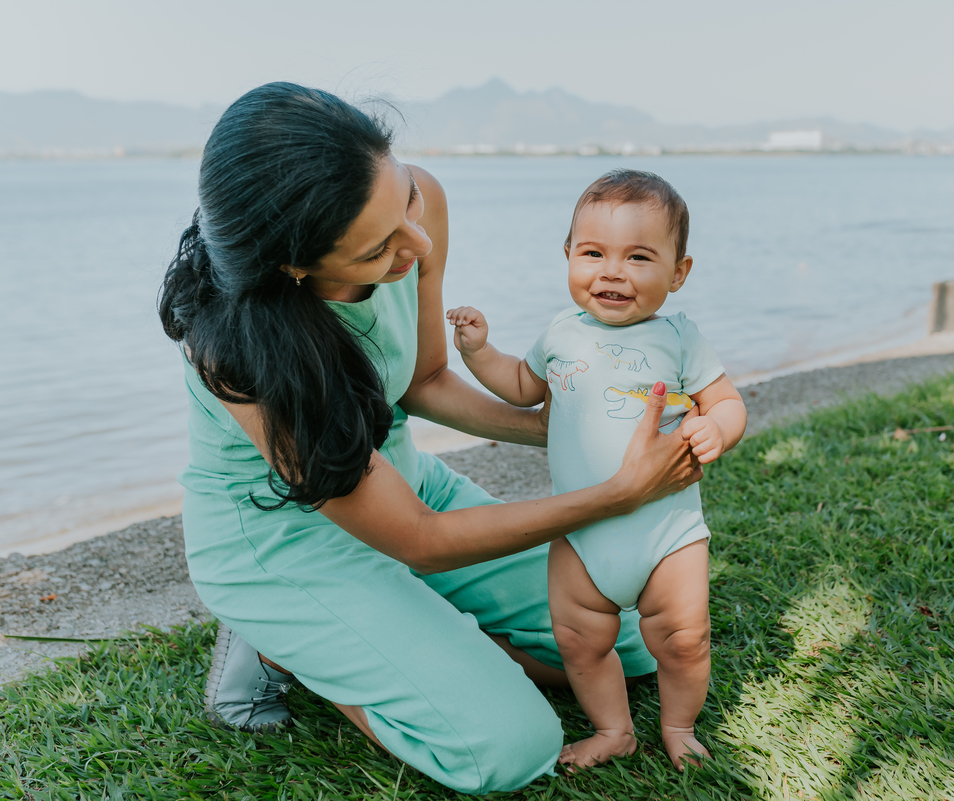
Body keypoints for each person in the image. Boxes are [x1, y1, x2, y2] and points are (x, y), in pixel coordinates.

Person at [157, 84, 702, 796]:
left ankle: (400, 629)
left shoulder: (419, 203)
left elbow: (423, 377)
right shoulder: (244, 355)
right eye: (380, 249)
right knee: (511, 746)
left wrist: (569, 426)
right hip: (286, 544)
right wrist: (617, 492)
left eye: (404, 202)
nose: (416, 244)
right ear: (295, 268)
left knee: (625, 645)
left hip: (402, 479)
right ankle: (283, 647)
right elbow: (419, 537)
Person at [446, 170, 747, 770]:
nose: (612, 272)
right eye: (593, 253)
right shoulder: (561, 332)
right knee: (580, 642)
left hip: (668, 535)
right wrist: (480, 352)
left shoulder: (680, 336)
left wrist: (717, 427)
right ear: (568, 257)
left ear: (679, 273)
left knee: (683, 641)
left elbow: (729, 401)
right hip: (582, 534)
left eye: (638, 257)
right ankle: (613, 729)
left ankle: (679, 723)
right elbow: (523, 387)